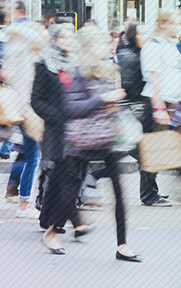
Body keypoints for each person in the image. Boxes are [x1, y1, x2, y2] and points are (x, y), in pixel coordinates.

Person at [35, 25, 140, 262]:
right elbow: (71, 109)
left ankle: (122, 244)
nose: (108, 46)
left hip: (107, 136)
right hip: (82, 140)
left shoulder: (111, 69)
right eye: (102, 42)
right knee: (70, 192)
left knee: (119, 193)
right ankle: (52, 232)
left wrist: (114, 104)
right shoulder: (77, 73)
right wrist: (102, 99)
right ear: (90, 47)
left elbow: (107, 104)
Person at [138, 9, 181, 207]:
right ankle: (148, 194)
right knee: (152, 149)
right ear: (163, 24)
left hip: (167, 102)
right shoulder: (153, 46)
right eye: (175, 23)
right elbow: (154, 79)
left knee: (155, 148)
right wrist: (159, 108)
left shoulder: (169, 45)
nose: (178, 26)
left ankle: (151, 191)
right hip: (157, 103)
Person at [1, 21, 46, 217]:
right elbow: (38, 39)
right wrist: (18, 28)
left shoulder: (18, 50)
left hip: (28, 108)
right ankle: (24, 205)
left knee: (30, 156)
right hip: (27, 109)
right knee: (32, 157)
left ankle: (26, 201)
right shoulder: (20, 50)